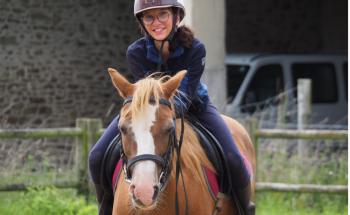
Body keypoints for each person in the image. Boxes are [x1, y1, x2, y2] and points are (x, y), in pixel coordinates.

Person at [88, 0, 252, 214]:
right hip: (148, 113)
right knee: (97, 155)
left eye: (162, 14)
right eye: (149, 17)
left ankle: (244, 209)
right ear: (142, 22)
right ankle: (106, 207)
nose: (156, 22)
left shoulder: (195, 49)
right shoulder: (135, 52)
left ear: (176, 16)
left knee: (233, 158)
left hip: (195, 106)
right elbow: (145, 94)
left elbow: (186, 92)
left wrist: (165, 110)